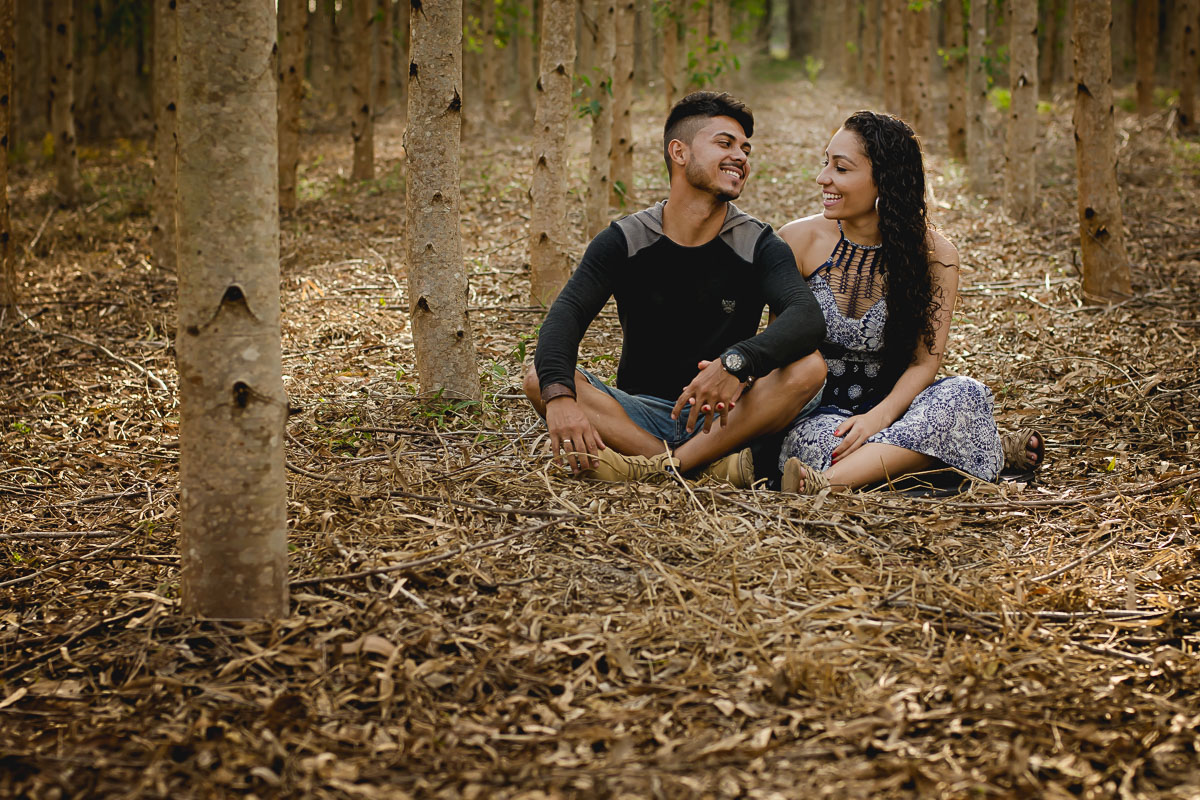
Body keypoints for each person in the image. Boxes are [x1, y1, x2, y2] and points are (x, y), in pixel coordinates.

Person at [524, 91, 827, 487]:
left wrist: (736, 363)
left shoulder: (759, 244)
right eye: (724, 143)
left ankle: (661, 468)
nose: (741, 156)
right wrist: (560, 399)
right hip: (640, 413)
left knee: (809, 368)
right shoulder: (625, 239)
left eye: (745, 148)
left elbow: (806, 318)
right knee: (539, 379)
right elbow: (566, 317)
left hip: (726, 416)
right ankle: (699, 469)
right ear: (679, 153)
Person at [777, 111, 1043, 494]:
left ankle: (826, 485)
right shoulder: (796, 240)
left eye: (841, 168)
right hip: (818, 414)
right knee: (833, 447)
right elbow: (780, 351)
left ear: (884, 179)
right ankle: (963, 450)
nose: (823, 178)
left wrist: (878, 418)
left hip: (899, 404)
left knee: (964, 393)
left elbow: (924, 362)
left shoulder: (936, 255)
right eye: (826, 163)